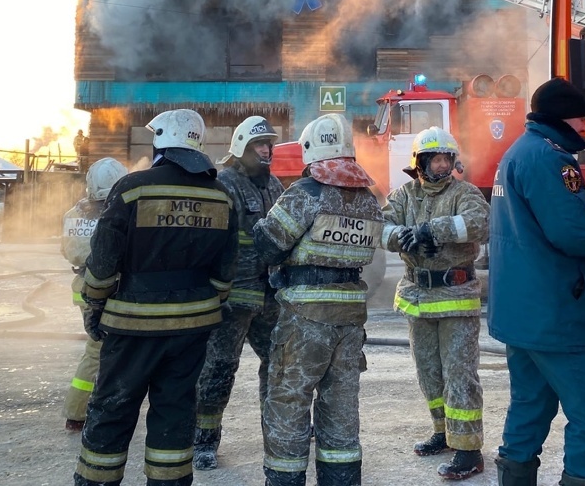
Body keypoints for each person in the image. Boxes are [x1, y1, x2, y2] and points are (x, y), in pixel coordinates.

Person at [487, 78, 585, 486]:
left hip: (523, 312)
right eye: (580, 117)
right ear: (562, 116)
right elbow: (571, 231)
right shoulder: (551, 159)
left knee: (530, 405)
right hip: (551, 313)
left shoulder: (518, 153)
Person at [72, 109, 239, 486]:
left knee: (113, 410)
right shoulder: (221, 196)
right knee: (176, 413)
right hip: (193, 328)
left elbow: (102, 262)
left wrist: (94, 304)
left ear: (161, 140)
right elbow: (226, 270)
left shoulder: (132, 188)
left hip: (132, 324)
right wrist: (205, 304)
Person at [253, 113, 383, 486]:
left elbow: (269, 245)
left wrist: (261, 226)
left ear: (311, 150)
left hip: (304, 317)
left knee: (289, 403)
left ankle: (285, 480)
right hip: (350, 319)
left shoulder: (306, 193)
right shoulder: (368, 201)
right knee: (340, 407)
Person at [381, 127, 489, 481]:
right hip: (417, 299)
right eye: (436, 159)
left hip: (456, 298)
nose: (443, 165)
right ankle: (443, 433)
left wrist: (432, 231)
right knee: (429, 373)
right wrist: (405, 239)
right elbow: (381, 226)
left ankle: (469, 450)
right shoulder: (404, 195)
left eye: (447, 159)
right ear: (420, 163)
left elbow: (481, 223)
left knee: (460, 375)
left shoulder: (465, 193)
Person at [192, 116, 285, 470]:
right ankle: (204, 440)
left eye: (269, 145)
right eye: (259, 145)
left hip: (269, 296)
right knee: (218, 368)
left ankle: (277, 431)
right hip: (232, 298)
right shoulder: (224, 185)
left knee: (278, 364)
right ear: (241, 148)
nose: (266, 151)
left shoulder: (274, 185)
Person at [60, 157, 129, 432]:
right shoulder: (114, 214)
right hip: (106, 287)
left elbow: (67, 251)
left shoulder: (73, 213)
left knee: (104, 347)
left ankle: (105, 402)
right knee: (98, 349)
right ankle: (77, 412)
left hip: (81, 284)